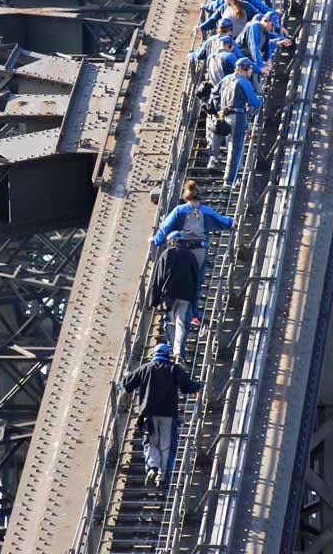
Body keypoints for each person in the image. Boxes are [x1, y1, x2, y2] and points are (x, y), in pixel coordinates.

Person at [151, 180, 234, 324]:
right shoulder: (206, 211)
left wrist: (156, 240)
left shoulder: (179, 210)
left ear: (186, 196)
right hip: (198, 250)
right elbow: (223, 221)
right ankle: (194, 313)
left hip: (181, 249)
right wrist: (232, 222)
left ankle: (168, 310)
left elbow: (165, 227)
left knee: (173, 277)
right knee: (196, 280)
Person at [121, 344, 201, 489]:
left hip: (148, 414)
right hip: (168, 414)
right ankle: (163, 477)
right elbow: (186, 386)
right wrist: (198, 386)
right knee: (167, 446)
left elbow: (127, 385)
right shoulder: (173, 368)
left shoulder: (146, 368)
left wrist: (126, 376)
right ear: (167, 354)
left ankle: (152, 467)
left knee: (151, 443)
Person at [210, 58, 263, 186]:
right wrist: (260, 99)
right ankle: (230, 180)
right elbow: (253, 102)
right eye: (250, 69)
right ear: (244, 69)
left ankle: (213, 159)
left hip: (224, 114)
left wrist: (219, 109)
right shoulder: (244, 82)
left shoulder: (226, 79)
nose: (251, 71)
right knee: (236, 147)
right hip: (238, 115)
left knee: (222, 141)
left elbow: (214, 93)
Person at [149, 231, 201, 360]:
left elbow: (158, 278)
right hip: (186, 296)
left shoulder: (166, 254)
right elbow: (196, 280)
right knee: (181, 323)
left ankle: (172, 348)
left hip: (169, 296)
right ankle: (178, 353)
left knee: (170, 323)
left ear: (171, 241)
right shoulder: (190, 255)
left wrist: (153, 300)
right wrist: (194, 303)